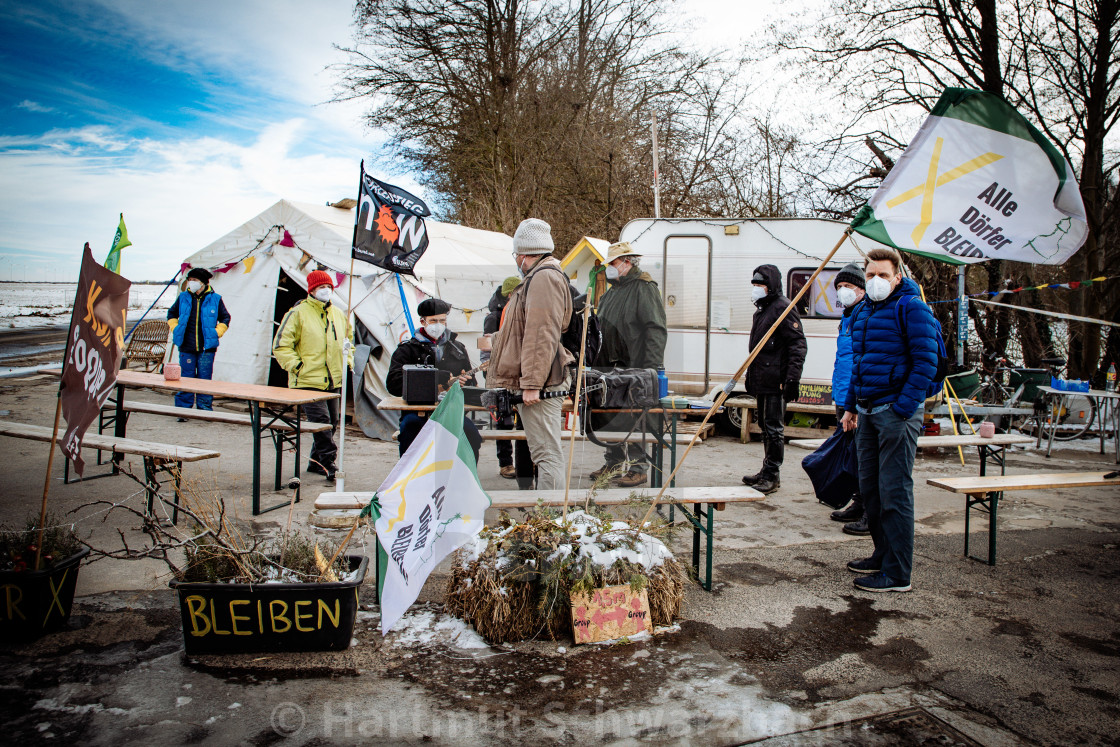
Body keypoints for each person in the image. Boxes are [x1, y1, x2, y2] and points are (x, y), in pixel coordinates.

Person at [841, 248, 940, 593]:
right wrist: (851, 406)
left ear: (898, 277)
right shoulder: (865, 310)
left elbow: (926, 362)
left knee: (895, 492)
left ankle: (898, 574)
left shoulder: (912, 307)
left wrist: (903, 407)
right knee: (871, 490)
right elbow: (860, 364)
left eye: (883, 275)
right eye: (870, 275)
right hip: (866, 412)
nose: (876, 281)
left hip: (895, 412)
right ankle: (882, 555)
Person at [487, 218, 574, 490]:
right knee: (544, 453)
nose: (516, 260)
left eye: (516, 255)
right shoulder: (541, 276)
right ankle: (550, 517)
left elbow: (541, 334)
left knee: (547, 455)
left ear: (523, 254)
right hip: (540, 379)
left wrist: (532, 383)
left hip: (543, 382)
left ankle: (551, 520)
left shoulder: (543, 278)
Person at [589, 241, 667, 488]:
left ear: (627, 262)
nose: (608, 268)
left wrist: (651, 368)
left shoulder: (644, 288)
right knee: (611, 416)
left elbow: (655, 329)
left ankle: (638, 466)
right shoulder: (611, 292)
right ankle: (613, 462)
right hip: (608, 368)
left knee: (636, 418)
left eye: (612, 263)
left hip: (635, 366)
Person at [272, 270, 353, 481]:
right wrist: (297, 366)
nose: (325, 291)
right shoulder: (297, 313)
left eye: (328, 287)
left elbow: (348, 342)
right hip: (308, 380)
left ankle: (315, 462)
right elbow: (281, 346)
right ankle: (328, 463)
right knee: (322, 422)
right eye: (320, 288)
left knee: (332, 421)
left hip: (333, 378)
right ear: (312, 290)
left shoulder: (339, 314)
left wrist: (348, 362)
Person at [386, 297, 483, 462]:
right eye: (433, 320)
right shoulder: (407, 350)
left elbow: (472, 382)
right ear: (423, 321)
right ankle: (410, 480)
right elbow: (393, 384)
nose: (438, 325)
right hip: (416, 413)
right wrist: (434, 378)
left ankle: (462, 480)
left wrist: (466, 382)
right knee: (410, 430)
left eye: (442, 320)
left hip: (450, 411)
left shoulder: (458, 348)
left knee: (471, 435)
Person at [740, 264, 806, 494]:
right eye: (755, 285)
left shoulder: (783, 308)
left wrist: (791, 379)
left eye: (761, 285)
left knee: (774, 428)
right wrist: (751, 375)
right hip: (762, 377)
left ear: (771, 286)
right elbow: (758, 349)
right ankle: (766, 469)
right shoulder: (762, 309)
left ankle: (772, 474)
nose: (757, 289)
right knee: (766, 427)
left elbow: (798, 345)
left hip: (776, 379)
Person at [829, 262, 869, 535]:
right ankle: (857, 501)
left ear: (862, 290)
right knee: (851, 455)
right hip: (843, 394)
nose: (843, 291)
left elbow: (861, 361)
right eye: (839, 287)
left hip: (857, 398)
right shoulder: (846, 318)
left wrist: (853, 402)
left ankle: (869, 509)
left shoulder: (866, 315)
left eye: (849, 286)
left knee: (863, 456)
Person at [167, 267, 231, 417]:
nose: (191, 283)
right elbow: (171, 313)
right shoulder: (183, 297)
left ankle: (204, 409)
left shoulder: (215, 299)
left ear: (203, 282)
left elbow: (225, 317)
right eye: (190, 280)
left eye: (194, 280)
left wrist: (217, 332)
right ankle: (183, 410)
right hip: (186, 345)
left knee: (204, 379)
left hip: (206, 347)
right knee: (185, 378)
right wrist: (175, 328)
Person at [482, 277, 521, 479]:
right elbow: (486, 350)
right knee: (504, 419)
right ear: (509, 295)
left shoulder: (518, 314)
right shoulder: (493, 318)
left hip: (517, 375)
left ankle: (524, 462)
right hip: (498, 376)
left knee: (522, 419)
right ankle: (505, 463)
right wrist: (491, 375)